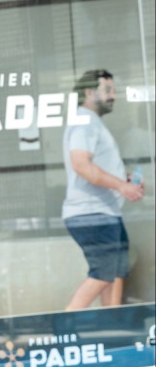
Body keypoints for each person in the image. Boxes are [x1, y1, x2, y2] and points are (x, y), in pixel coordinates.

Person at [62, 69, 145, 310]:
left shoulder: (92, 122)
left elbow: (93, 165)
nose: (113, 95)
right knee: (104, 272)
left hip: (106, 212)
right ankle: (63, 327)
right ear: (89, 92)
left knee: (115, 272)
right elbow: (81, 164)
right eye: (107, 90)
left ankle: (109, 330)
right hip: (91, 213)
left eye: (114, 90)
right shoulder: (84, 121)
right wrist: (122, 185)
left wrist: (125, 179)